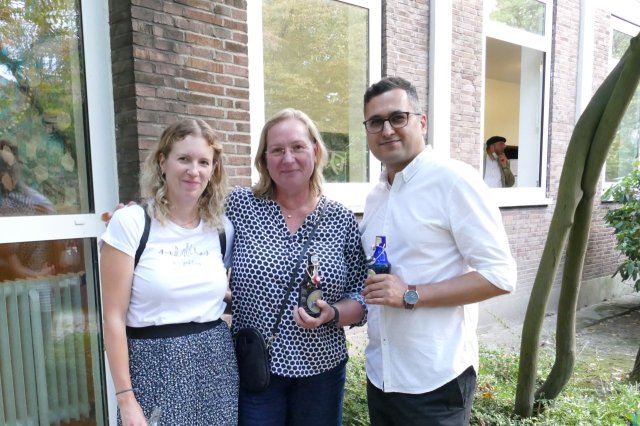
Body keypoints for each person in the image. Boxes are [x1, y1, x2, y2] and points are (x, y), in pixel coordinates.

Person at [359, 77, 517, 425]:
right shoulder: (375, 196)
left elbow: (500, 276)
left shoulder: (455, 181)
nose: (387, 130)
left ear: (422, 122)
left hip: (436, 380)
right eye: (376, 122)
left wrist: (410, 294)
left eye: (398, 117)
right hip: (381, 375)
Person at [226, 108, 367, 426]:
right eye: (277, 150)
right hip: (257, 368)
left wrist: (332, 313)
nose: (287, 158)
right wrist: (137, 219)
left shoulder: (341, 219)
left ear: (315, 151)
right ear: (264, 159)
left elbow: (362, 293)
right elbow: (186, 221)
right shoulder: (240, 205)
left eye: (297, 147)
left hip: (322, 372)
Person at [99, 119, 238, 425]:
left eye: (204, 162)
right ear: (163, 162)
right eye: (184, 159)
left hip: (216, 367)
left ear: (213, 170)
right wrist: (125, 399)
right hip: (152, 369)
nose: (194, 170)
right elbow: (112, 318)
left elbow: (213, 294)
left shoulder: (221, 229)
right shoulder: (131, 223)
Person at [0, 139, 56, 280]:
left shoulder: (35, 200)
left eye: (12, 165)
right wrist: (40, 275)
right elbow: (13, 267)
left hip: (41, 278)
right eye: (5, 167)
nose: (10, 171)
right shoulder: (7, 206)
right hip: (23, 284)